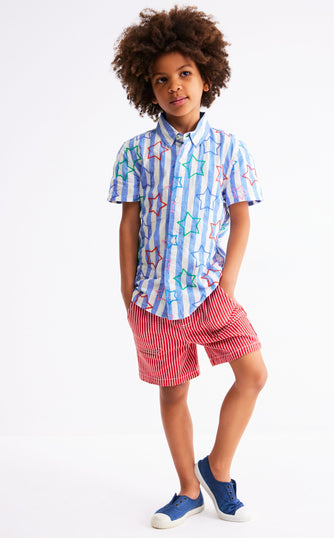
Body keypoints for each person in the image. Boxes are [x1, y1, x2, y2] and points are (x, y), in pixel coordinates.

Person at [107, 5, 268, 529]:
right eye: (161, 79)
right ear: (146, 89)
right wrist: (128, 291)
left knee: (253, 375)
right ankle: (188, 489)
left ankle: (217, 470)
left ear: (206, 77)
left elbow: (240, 219)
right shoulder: (135, 153)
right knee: (174, 391)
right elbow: (129, 224)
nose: (174, 86)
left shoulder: (229, 149)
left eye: (184, 73)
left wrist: (228, 284)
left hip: (211, 292)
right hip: (154, 298)